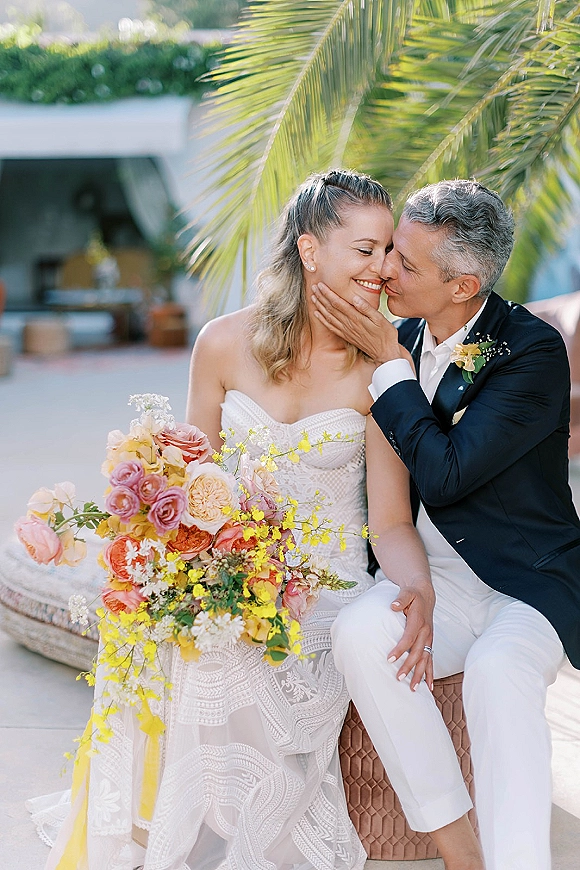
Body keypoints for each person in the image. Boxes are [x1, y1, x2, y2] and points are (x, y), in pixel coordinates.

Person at [29, 169, 436, 870]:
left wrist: (416, 589)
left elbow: (392, 521)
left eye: (388, 251)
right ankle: (170, 833)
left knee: (245, 648)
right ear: (310, 252)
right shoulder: (221, 342)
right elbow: (196, 484)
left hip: (326, 583)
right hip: (236, 565)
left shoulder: (386, 361)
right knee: (174, 625)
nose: (383, 270)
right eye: (365, 250)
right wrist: (179, 562)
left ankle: (241, 844)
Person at [311, 179, 580, 870]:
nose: (386, 271)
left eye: (406, 263)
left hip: (528, 583)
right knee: (362, 632)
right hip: (435, 578)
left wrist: (393, 371)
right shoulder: (394, 337)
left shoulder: (529, 351)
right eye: (391, 250)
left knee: (497, 672)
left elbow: (450, 472)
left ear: (464, 286)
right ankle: (457, 844)